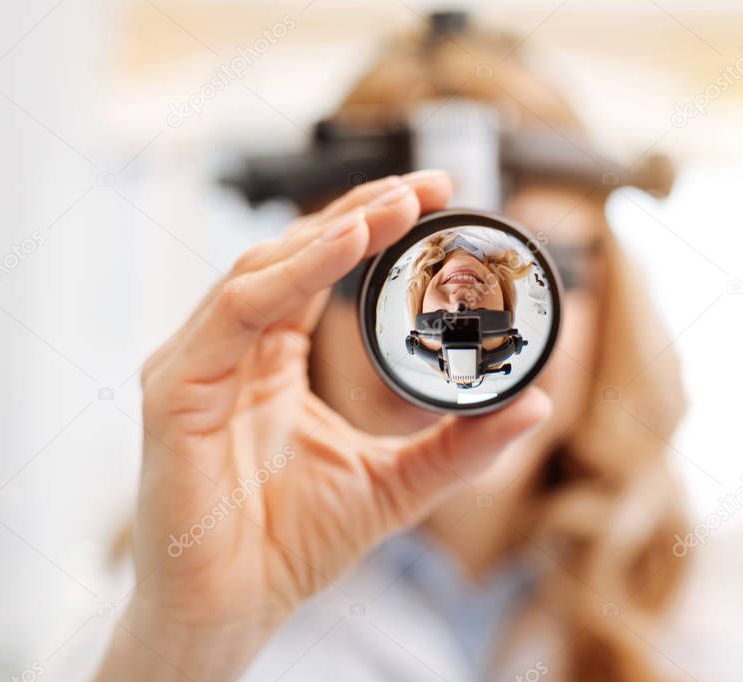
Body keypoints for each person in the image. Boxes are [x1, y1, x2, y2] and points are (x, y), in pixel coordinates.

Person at [97, 15, 689, 682]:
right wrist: (183, 647)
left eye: (528, 273)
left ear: (610, 303)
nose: (454, 321)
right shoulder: (166, 586)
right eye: (387, 272)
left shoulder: (718, 606)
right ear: (307, 301)